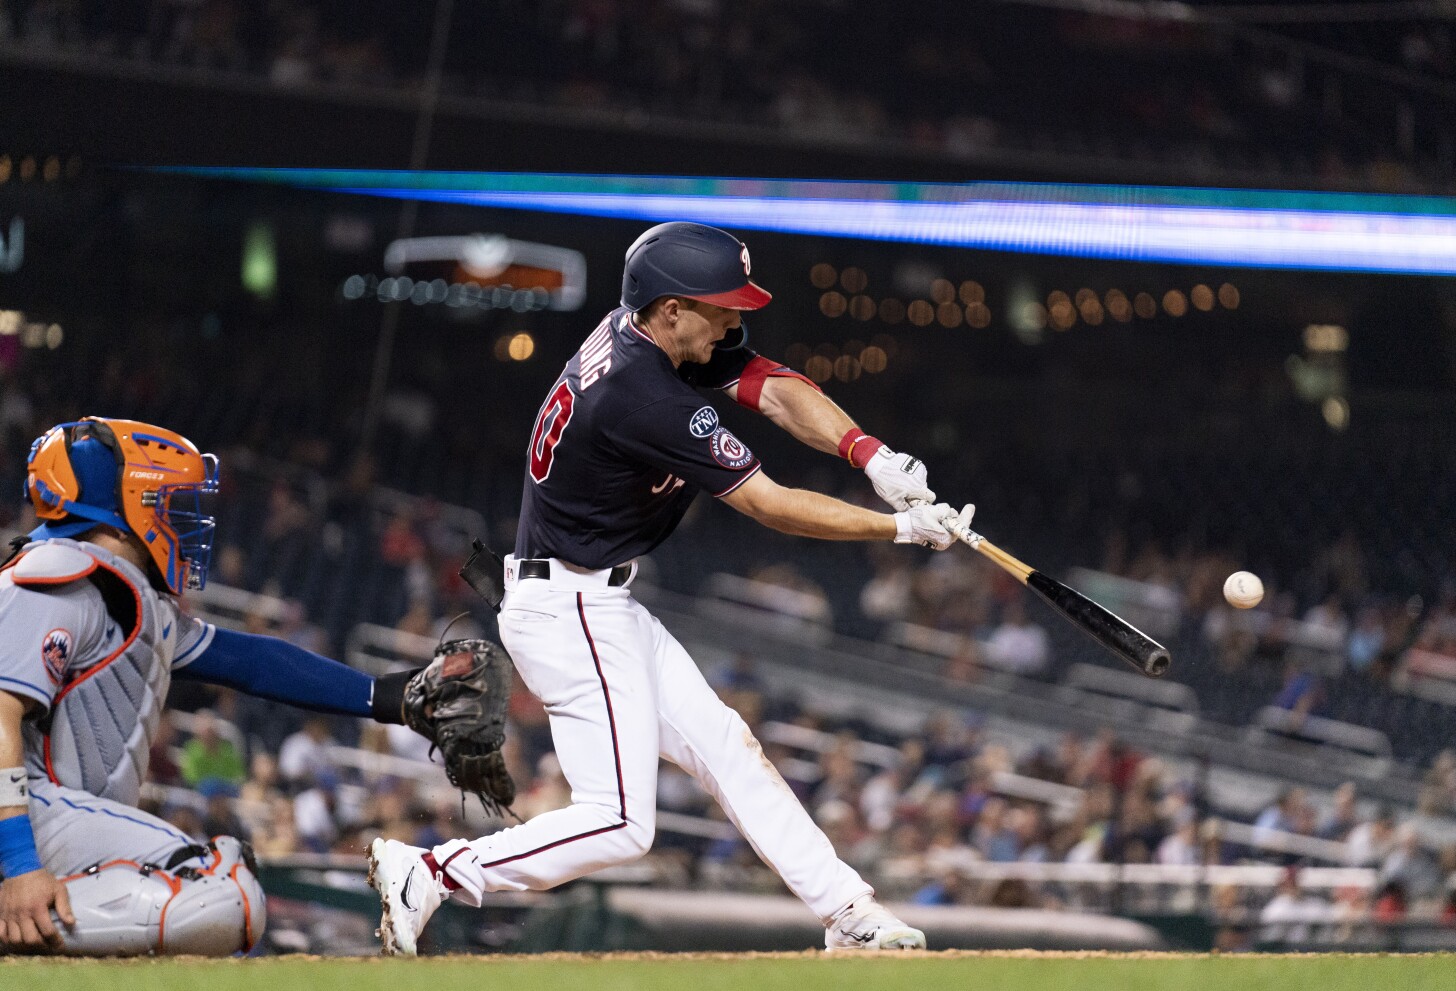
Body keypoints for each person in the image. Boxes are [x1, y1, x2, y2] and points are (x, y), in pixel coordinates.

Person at [369, 222, 971, 953]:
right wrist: (899, 531)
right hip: (570, 606)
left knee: (725, 743)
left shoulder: (650, 334)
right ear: (671, 308)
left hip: (595, 599)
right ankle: (433, 868)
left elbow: (772, 387)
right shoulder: (640, 391)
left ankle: (848, 912)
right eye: (720, 305)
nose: (734, 318)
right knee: (621, 821)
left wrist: (871, 455)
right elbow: (766, 503)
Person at [0, 417, 429, 955]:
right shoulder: (49, 578)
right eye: (163, 501)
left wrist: (387, 697)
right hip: (24, 818)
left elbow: (250, 660)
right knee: (221, 893)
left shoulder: (125, 595)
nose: (181, 518)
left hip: (58, 820)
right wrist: (18, 866)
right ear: (119, 505)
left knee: (224, 885)